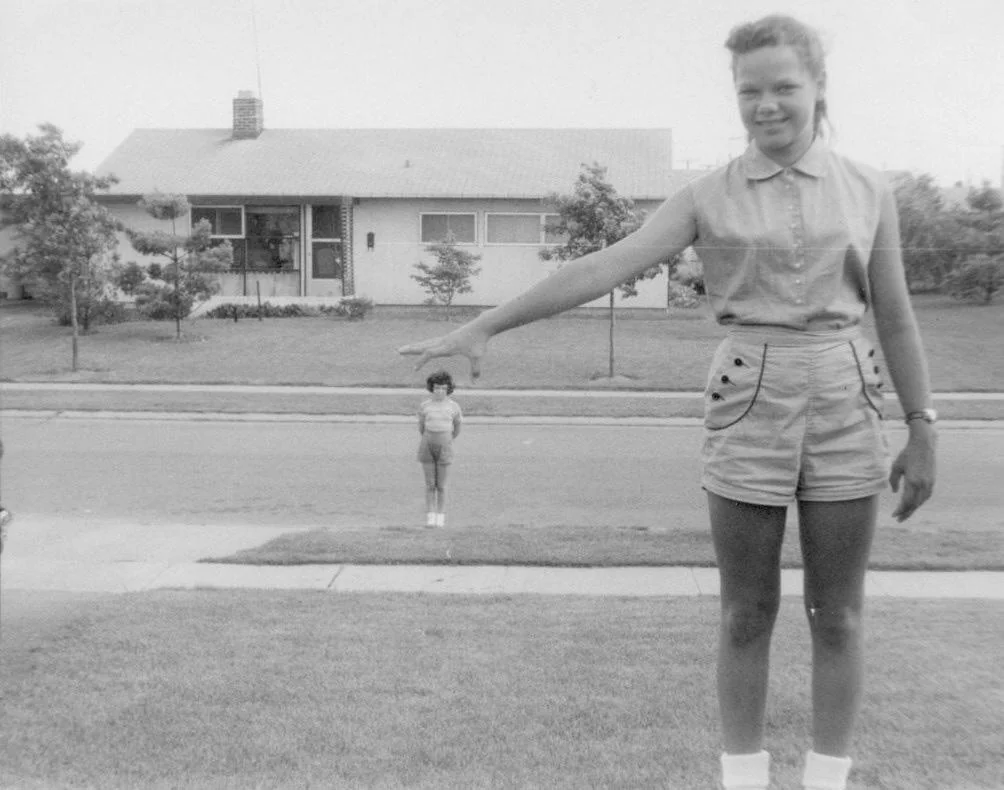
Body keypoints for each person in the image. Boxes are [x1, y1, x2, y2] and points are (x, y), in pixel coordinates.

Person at [399, 13, 937, 790]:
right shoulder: (707, 195)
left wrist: (923, 426)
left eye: (784, 87)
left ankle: (827, 779)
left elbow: (897, 315)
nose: (766, 105)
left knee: (839, 613)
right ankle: (743, 780)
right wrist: (485, 324)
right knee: (745, 613)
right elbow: (603, 266)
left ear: (819, 88)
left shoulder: (869, 189)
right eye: (749, 91)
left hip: (849, 399)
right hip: (747, 401)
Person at [416, 371, 463, 528]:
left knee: (441, 485)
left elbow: (457, 427)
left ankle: (440, 517)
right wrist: (430, 437)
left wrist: (447, 439)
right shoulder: (425, 406)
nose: (440, 391)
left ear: (448, 389)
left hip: (445, 446)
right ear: (432, 388)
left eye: (443, 388)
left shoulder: (454, 407)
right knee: (430, 484)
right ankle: (430, 517)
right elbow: (421, 427)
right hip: (427, 445)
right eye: (437, 387)